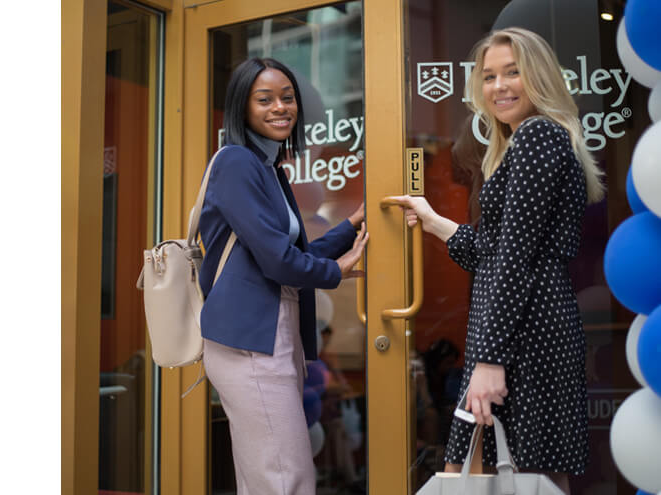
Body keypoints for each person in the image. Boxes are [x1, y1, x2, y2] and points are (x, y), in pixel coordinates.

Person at [390, 27, 604, 494]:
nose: (499, 86)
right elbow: (497, 251)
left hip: (523, 337)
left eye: (513, 72)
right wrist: (434, 221)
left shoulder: (537, 136)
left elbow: (512, 261)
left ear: (540, 78)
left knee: (500, 476)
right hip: (528, 330)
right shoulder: (532, 142)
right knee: (529, 479)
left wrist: (488, 360)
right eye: (488, 76)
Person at [198, 57, 368, 495]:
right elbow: (277, 261)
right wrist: (336, 271)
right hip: (250, 343)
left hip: (270, 336)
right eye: (265, 99)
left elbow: (294, 253)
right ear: (242, 107)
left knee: (266, 476)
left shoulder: (269, 168)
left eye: (287, 98)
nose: (280, 108)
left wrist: (350, 226)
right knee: (285, 477)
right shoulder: (237, 162)